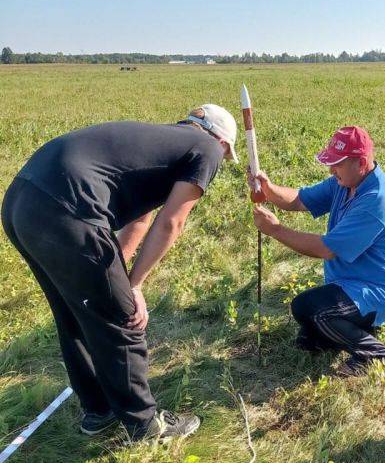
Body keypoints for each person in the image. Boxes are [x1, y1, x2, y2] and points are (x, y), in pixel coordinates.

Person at [1, 105, 239, 441]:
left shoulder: (161, 143)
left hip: (22, 203)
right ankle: (145, 425)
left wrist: (120, 282)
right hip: (67, 208)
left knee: (75, 311)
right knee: (123, 317)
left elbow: (139, 219)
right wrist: (133, 289)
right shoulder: (208, 148)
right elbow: (172, 222)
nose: (220, 162)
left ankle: (100, 412)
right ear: (222, 141)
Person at [249, 126, 385, 376]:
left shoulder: (378, 199)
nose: (331, 170)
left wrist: (276, 230)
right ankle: (359, 329)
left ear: (362, 163)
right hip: (349, 285)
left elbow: (327, 249)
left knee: (310, 309)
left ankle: (374, 353)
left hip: (378, 291)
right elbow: (301, 199)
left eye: (337, 164)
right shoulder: (344, 181)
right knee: (308, 335)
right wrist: (268, 190)